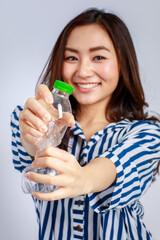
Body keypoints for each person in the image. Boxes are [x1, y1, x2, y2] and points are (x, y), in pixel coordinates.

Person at [11, 8, 160, 240]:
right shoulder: (28, 118)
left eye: (98, 57)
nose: (82, 71)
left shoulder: (147, 134)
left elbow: (120, 166)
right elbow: (31, 165)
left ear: (123, 63)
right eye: (71, 57)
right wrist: (37, 141)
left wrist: (84, 178)